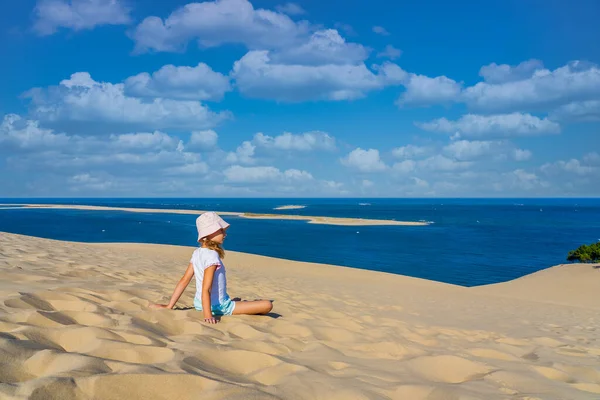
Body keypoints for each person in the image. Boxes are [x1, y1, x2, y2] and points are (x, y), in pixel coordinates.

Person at [150, 211, 273, 323]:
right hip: (217, 306)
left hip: (199, 303)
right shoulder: (212, 256)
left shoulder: (197, 253)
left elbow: (184, 280)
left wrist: (169, 306)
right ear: (209, 234)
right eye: (221, 230)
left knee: (239, 300)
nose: (225, 234)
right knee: (267, 305)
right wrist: (208, 315)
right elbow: (206, 288)